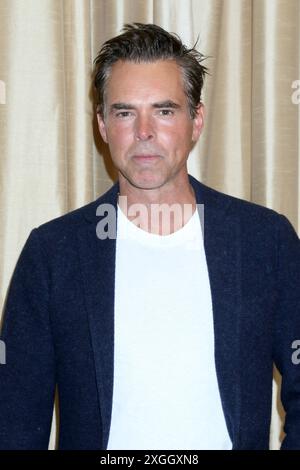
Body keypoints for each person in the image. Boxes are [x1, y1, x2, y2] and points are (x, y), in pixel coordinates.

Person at [0, 22, 300, 451]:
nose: (144, 132)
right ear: (102, 125)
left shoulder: (264, 241)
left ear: (196, 120)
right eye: (124, 112)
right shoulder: (53, 254)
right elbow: (14, 421)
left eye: (164, 110)